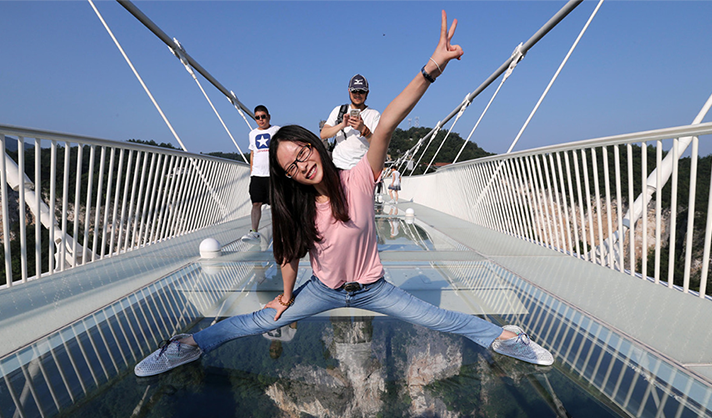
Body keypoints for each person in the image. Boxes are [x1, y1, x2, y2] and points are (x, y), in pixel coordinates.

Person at [135, 11, 553, 378]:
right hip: (324, 290)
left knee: (440, 319)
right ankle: (188, 345)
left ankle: (505, 337)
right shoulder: (296, 205)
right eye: (291, 166)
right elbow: (288, 254)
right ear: (287, 176)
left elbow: (387, 122)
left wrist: (432, 68)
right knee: (257, 320)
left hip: (374, 288)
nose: (302, 164)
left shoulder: (358, 177)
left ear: (315, 146)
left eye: (303, 152)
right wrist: (284, 299)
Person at [320, 74, 381, 170]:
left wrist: (363, 129)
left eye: (361, 91)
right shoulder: (339, 110)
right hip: (338, 167)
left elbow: (379, 145)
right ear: (349, 91)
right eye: (354, 91)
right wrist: (342, 125)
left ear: (367, 92)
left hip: (361, 168)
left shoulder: (374, 115)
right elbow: (323, 134)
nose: (357, 94)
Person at [242, 105, 280, 241]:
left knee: (276, 205)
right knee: (256, 203)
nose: (261, 119)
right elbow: (253, 153)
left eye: (263, 116)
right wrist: (252, 171)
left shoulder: (276, 130)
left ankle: (279, 231)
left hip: (273, 175)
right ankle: (254, 231)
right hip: (257, 175)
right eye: (257, 117)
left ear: (268, 116)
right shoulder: (252, 134)